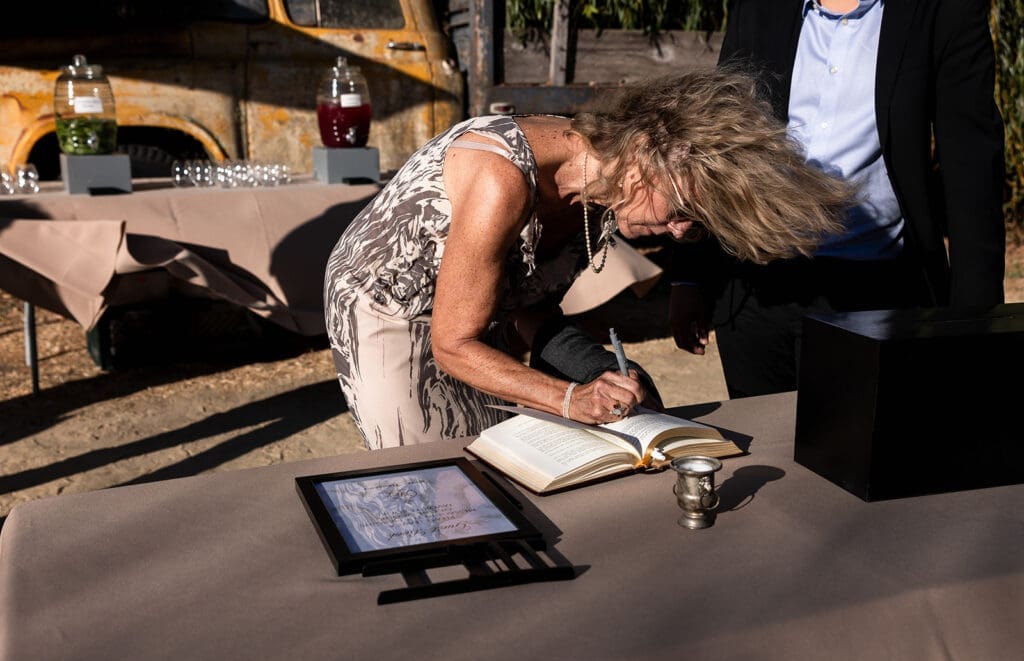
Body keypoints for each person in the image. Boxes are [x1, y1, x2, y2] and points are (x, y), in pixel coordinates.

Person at [324, 68, 853, 449]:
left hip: (466, 315)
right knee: (437, 466)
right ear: (646, 150)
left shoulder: (604, 195)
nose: (680, 231)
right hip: (388, 305)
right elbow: (454, 344)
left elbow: (524, 306)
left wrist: (601, 370)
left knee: (502, 457)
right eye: (682, 209)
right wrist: (570, 397)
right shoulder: (500, 180)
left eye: (696, 224)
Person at [670, 0, 1006, 398]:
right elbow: (718, 138)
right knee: (766, 453)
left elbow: (972, 167)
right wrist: (690, 275)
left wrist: (976, 324)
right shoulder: (759, 7)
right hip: (757, 292)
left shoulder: (943, 11)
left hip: (878, 297)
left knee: (864, 454)